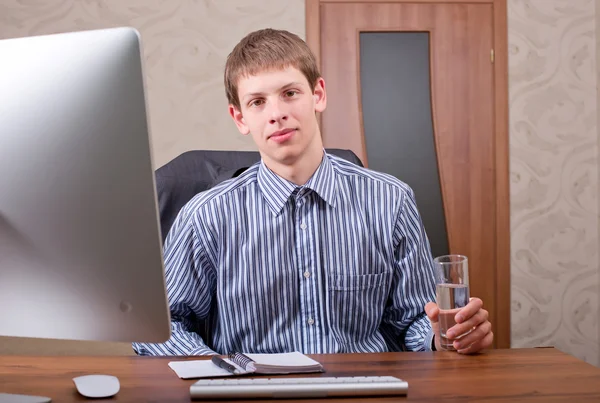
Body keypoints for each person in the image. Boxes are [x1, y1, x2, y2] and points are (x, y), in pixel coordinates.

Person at [133, 28, 493, 356]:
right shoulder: (206, 215)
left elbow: (414, 320)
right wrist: (219, 371)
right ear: (240, 117)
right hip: (250, 394)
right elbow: (161, 328)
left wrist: (444, 336)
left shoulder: (391, 201)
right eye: (257, 102)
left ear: (318, 94)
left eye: (290, 93)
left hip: (363, 392)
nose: (276, 114)